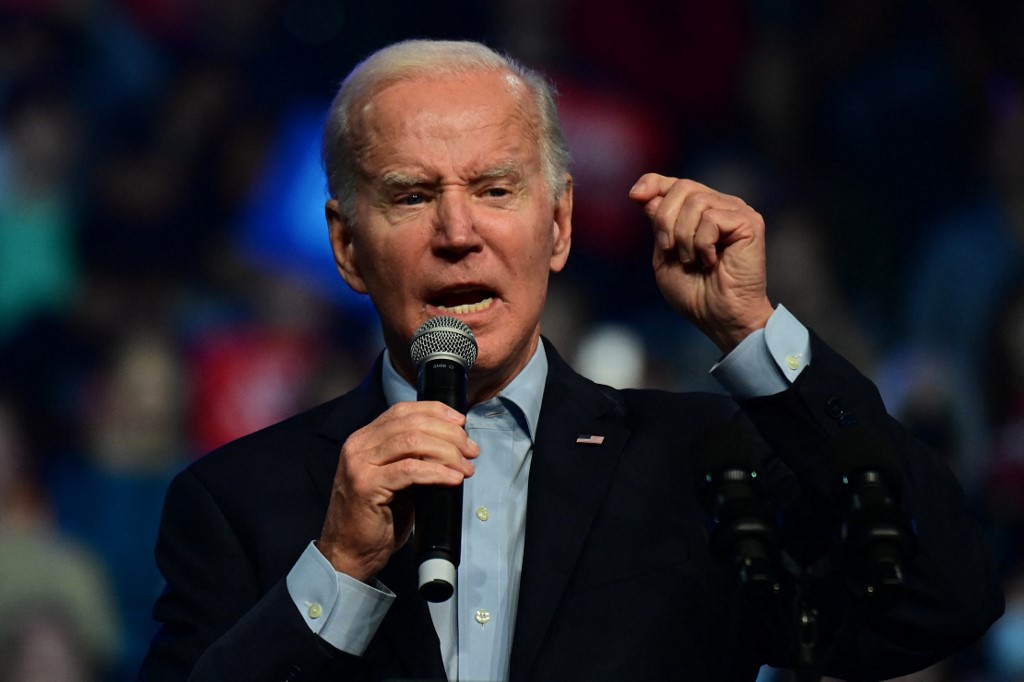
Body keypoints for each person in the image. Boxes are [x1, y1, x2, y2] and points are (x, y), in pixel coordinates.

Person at [140, 39, 1003, 681]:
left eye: (494, 190)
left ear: (557, 227)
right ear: (347, 246)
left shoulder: (703, 467)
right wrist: (336, 572)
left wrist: (753, 331)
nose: (457, 233)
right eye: (412, 196)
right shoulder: (235, 504)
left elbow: (944, 593)